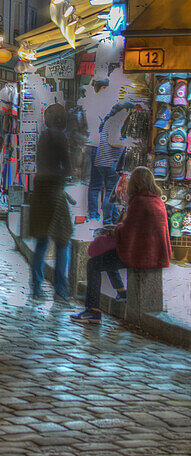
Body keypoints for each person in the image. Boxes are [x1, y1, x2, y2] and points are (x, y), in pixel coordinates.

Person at [72, 166, 171, 324]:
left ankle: (93, 310)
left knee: (93, 264)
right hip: (154, 253)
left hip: (142, 255)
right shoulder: (156, 199)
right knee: (106, 256)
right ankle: (121, 291)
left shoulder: (139, 201)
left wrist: (112, 230)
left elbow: (127, 232)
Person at [29, 104, 72, 303]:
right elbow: (67, 166)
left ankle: (37, 287)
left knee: (41, 241)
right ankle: (61, 290)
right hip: (54, 190)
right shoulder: (60, 137)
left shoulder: (43, 136)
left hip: (40, 190)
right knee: (63, 241)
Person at [87, 103, 133, 223]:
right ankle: (107, 221)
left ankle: (113, 219)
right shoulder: (118, 118)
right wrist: (127, 143)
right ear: (125, 110)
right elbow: (113, 141)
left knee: (110, 192)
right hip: (109, 161)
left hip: (103, 161)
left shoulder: (110, 120)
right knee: (111, 193)